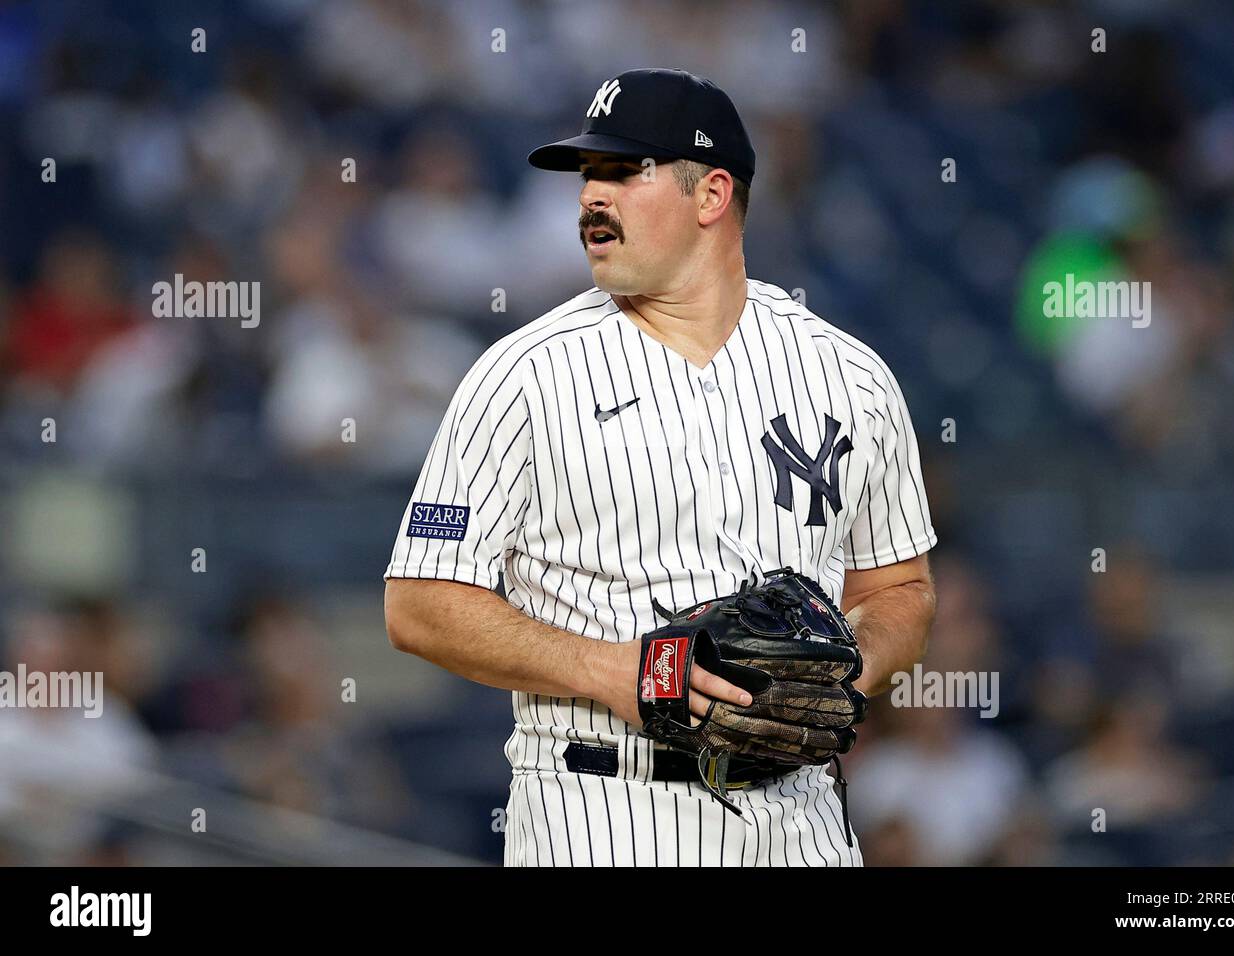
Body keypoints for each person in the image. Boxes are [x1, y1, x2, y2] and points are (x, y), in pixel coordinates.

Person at [383, 69, 937, 867]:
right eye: (587, 175)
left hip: (801, 814)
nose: (589, 198)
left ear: (711, 196)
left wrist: (846, 674)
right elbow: (419, 604)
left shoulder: (849, 376)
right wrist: (618, 670)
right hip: (602, 805)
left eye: (621, 171)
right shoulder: (525, 376)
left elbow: (900, 589)